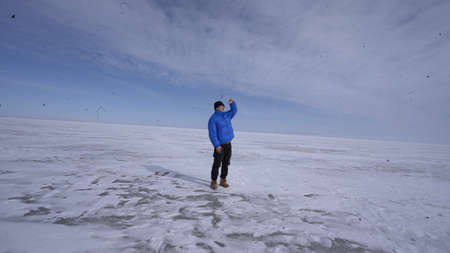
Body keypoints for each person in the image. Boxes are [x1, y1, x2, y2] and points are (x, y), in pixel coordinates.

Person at [208, 98, 237, 190]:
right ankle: (213, 181)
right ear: (217, 108)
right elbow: (212, 133)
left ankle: (223, 180)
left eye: (223, 106)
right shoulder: (213, 119)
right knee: (217, 164)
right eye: (221, 106)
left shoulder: (226, 115)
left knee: (226, 163)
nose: (223, 108)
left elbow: (234, 111)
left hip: (228, 144)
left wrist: (232, 103)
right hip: (220, 145)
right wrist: (216, 145)